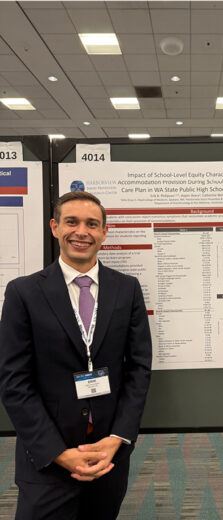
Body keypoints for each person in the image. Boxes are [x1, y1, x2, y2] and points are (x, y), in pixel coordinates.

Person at [0, 191, 152, 519]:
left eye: (92, 224)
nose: (81, 231)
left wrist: (117, 438)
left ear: (103, 233)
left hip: (107, 455)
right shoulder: (23, 293)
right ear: (55, 227)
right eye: (72, 222)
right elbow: (14, 382)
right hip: (48, 458)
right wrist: (59, 453)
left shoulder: (127, 288)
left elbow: (139, 369)